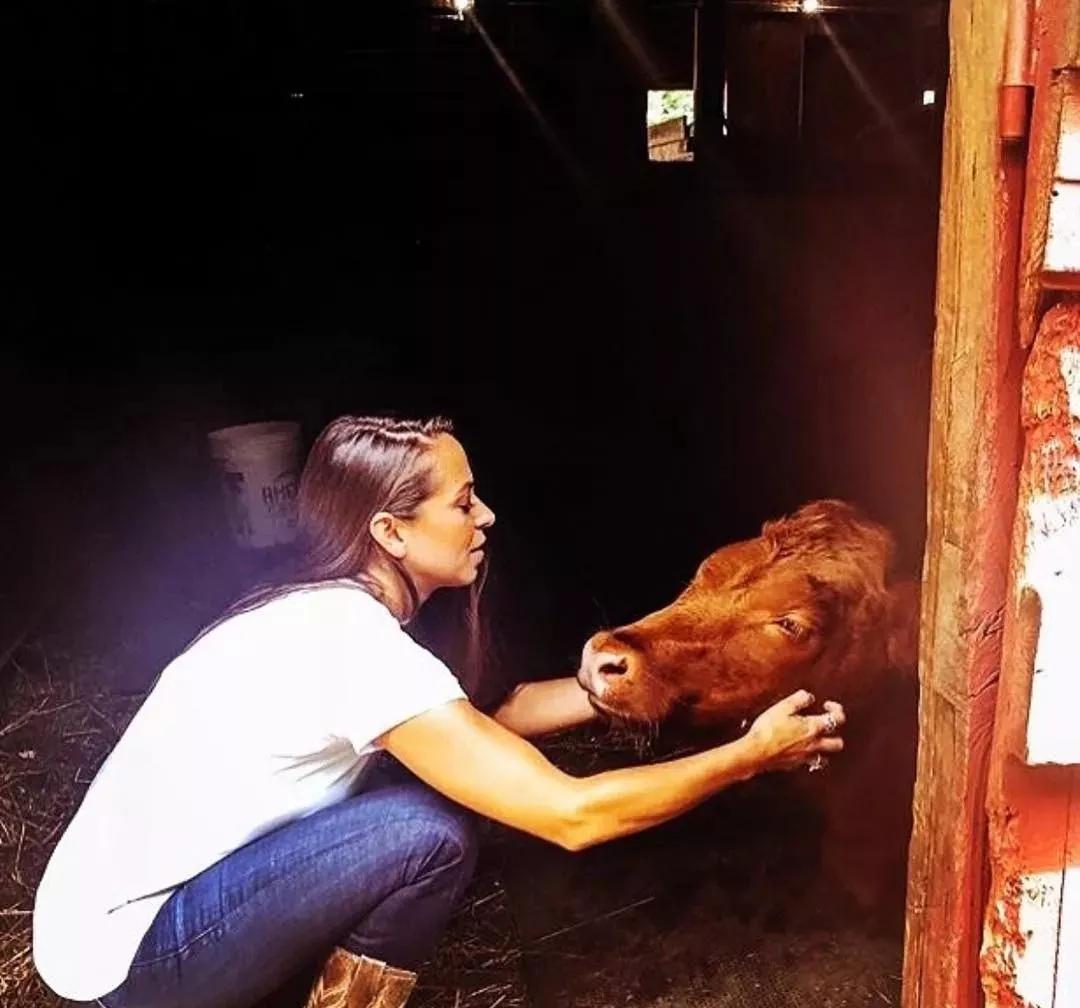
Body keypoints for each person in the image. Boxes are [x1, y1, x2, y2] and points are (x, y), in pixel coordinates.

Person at [33, 414, 846, 1008]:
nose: (485, 516)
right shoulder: (356, 648)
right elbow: (573, 815)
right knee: (429, 831)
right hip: (132, 965)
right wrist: (749, 755)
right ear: (391, 531)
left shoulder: (326, 610)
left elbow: (491, 718)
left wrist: (616, 680)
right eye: (463, 503)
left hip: (117, 922)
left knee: (427, 794)